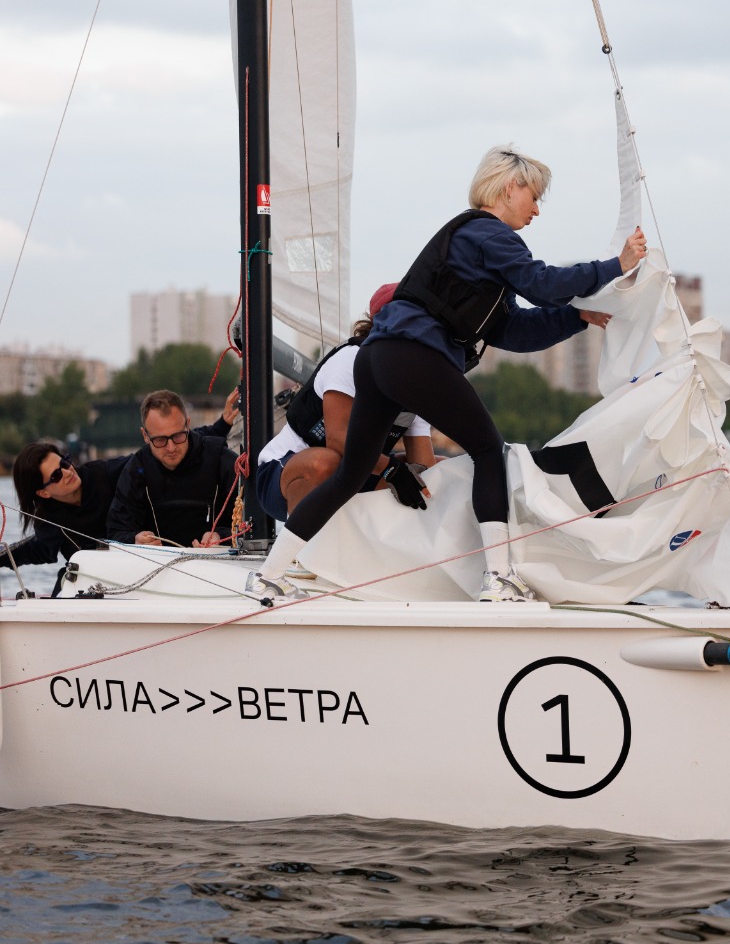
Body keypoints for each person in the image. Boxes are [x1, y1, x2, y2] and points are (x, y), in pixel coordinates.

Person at [259, 145, 646, 602]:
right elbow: (542, 284)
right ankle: (498, 577)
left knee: (351, 474)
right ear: (510, 187)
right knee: (489, 451)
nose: (537, 210)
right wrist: (615, 267)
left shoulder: (477, 252)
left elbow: (513, 330)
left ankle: (270, 572)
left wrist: (576, 320)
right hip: (411, 357)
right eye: (534, 197)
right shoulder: (487, 233)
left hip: (381, 358)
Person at [255, 288, 437, 578]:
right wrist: (391, 470)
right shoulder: (350, 361)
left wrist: (424, 479)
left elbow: (423, 463)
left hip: (352, 475)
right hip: (284, 476)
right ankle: (297, 556)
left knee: (438, 469)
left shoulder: (414, 383)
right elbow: (339, 442)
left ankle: (424, 558)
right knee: (325, 461)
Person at [4, 388, 240, 591]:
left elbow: (166, 447)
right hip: (92, 577)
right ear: (43, 493)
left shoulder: (105, 473)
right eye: (56, 475)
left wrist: (221, 427)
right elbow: (38, 550)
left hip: (132, 569)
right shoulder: (49, 523)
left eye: (65, 462)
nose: (67, 472)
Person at [105, 389, 241, 549]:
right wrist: (135, 539)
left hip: (217, 565)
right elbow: (116, 531)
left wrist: (220, 536)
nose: (171, 447)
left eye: (178, 436)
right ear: (145, 436)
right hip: (159, 567)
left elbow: (250, 524)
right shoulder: (136, 470)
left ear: (188, 425)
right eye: (160, 440)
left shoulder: (222, 461)